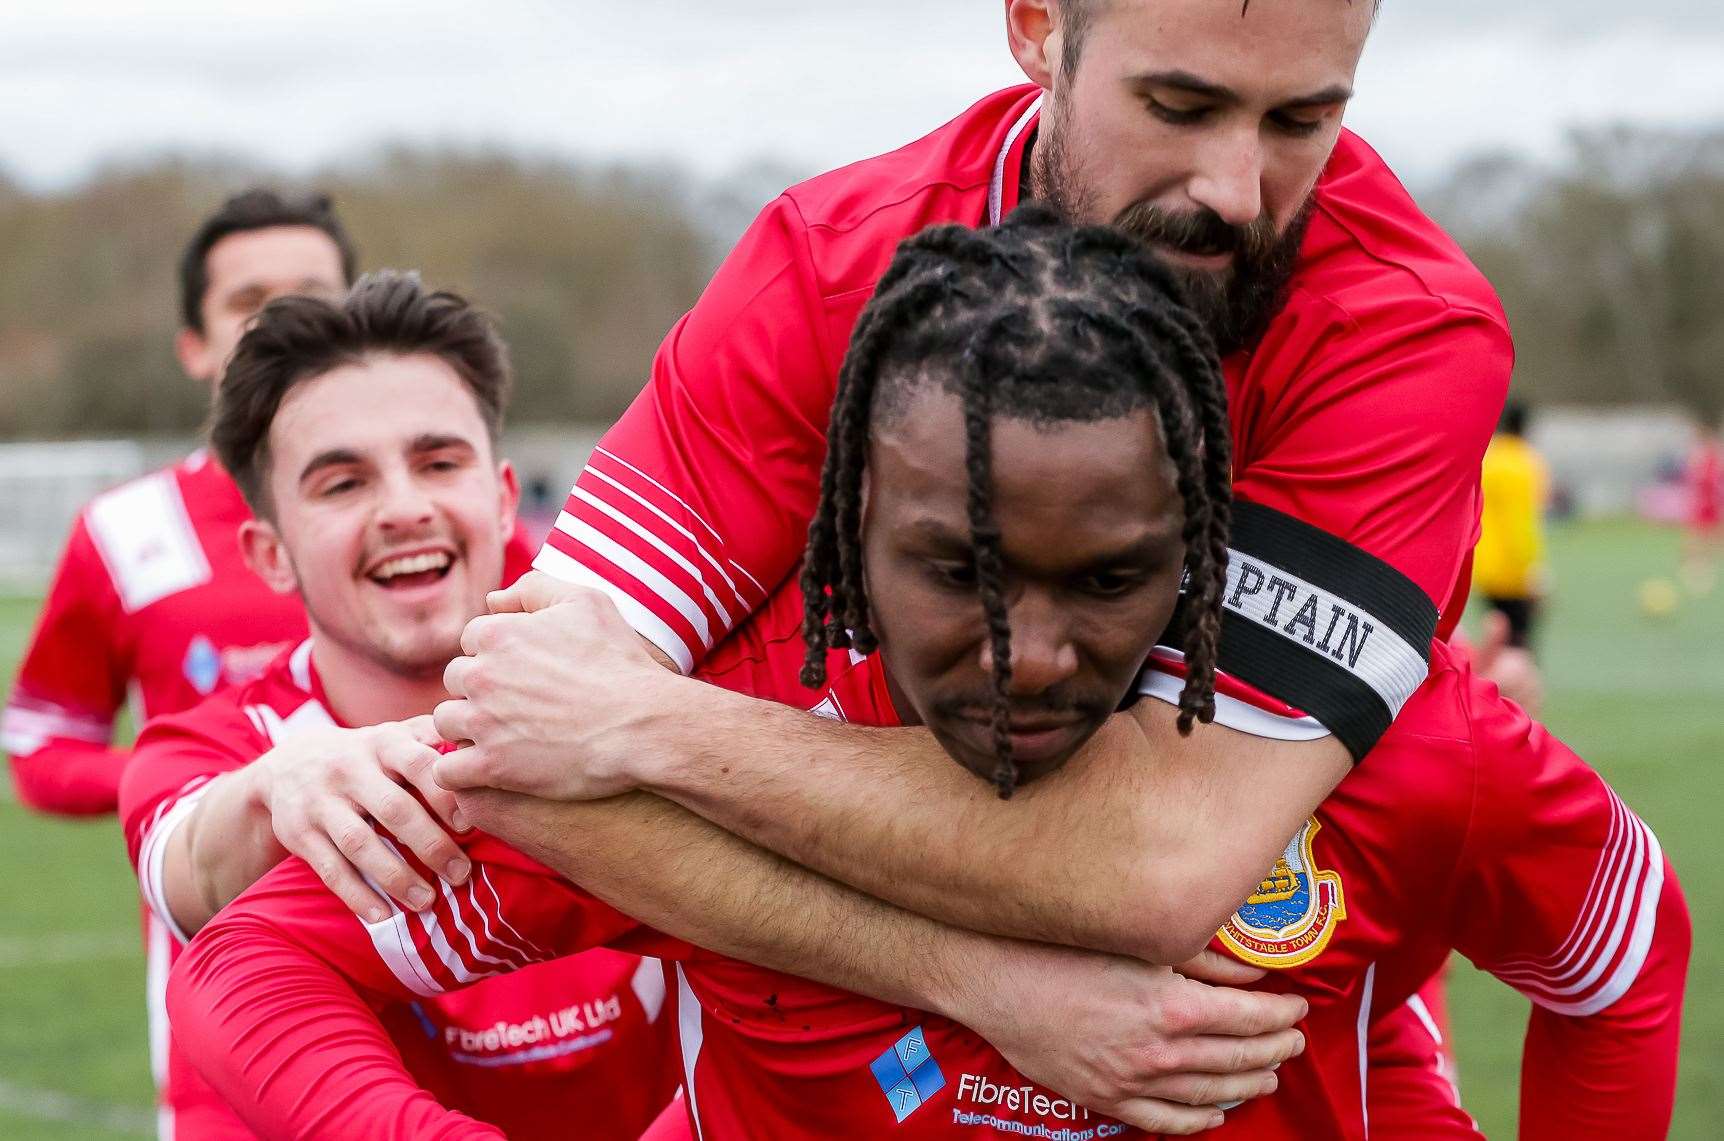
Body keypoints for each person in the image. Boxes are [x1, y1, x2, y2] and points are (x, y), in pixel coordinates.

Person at [175, 212, 1686, 1140]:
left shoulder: (1393, 741)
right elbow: (252, 963)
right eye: (957, 570)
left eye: (1108, 576)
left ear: (1201, 539)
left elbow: (1624, 964)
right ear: (848, 535)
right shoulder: (697, 714)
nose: (1029, 652)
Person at [432, 0, 1512, 1115]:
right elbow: (513, 756)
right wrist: (978, 979)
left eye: (1300, 122)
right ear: (1037, 27)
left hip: (1267, 1051)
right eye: (1178, 107)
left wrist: (645, 727)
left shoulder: (1404, 334)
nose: (1234, 191)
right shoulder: (829, 265)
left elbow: (1160, 868)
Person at [118, 273, 687, 1137]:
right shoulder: (214, 750)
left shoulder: (657, 681)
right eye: (342, 483)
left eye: (438, 462)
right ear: (270, 554)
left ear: (502, 500)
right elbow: (189, 864)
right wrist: (281, 785)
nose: (406, 508)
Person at [4, 188, 353, 818]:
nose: (285, 322)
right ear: (193, 346)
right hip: (213, 915)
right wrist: (194, 777)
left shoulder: (451, 513)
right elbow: (41, 747)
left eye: (313, 296)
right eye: (249, 302)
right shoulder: (122, 530)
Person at [1470, 401, 1551, 712]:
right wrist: (1532, 568)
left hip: (1484, 565)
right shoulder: (1525, 463)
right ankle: (1519, 714)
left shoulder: (1489, 457)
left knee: (1496, 643)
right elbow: (1521, 523)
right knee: (1520, 647)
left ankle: (1495, 708)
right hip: (1513, 570)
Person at [1680, 420, 1722, 596]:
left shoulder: (1714, 459)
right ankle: (1694, 570)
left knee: (1713, 539)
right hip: (1702, 505)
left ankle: (1702, 570)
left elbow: (1714, 482)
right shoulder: (1698, 458)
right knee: (1696, 539)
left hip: (1713, 504)